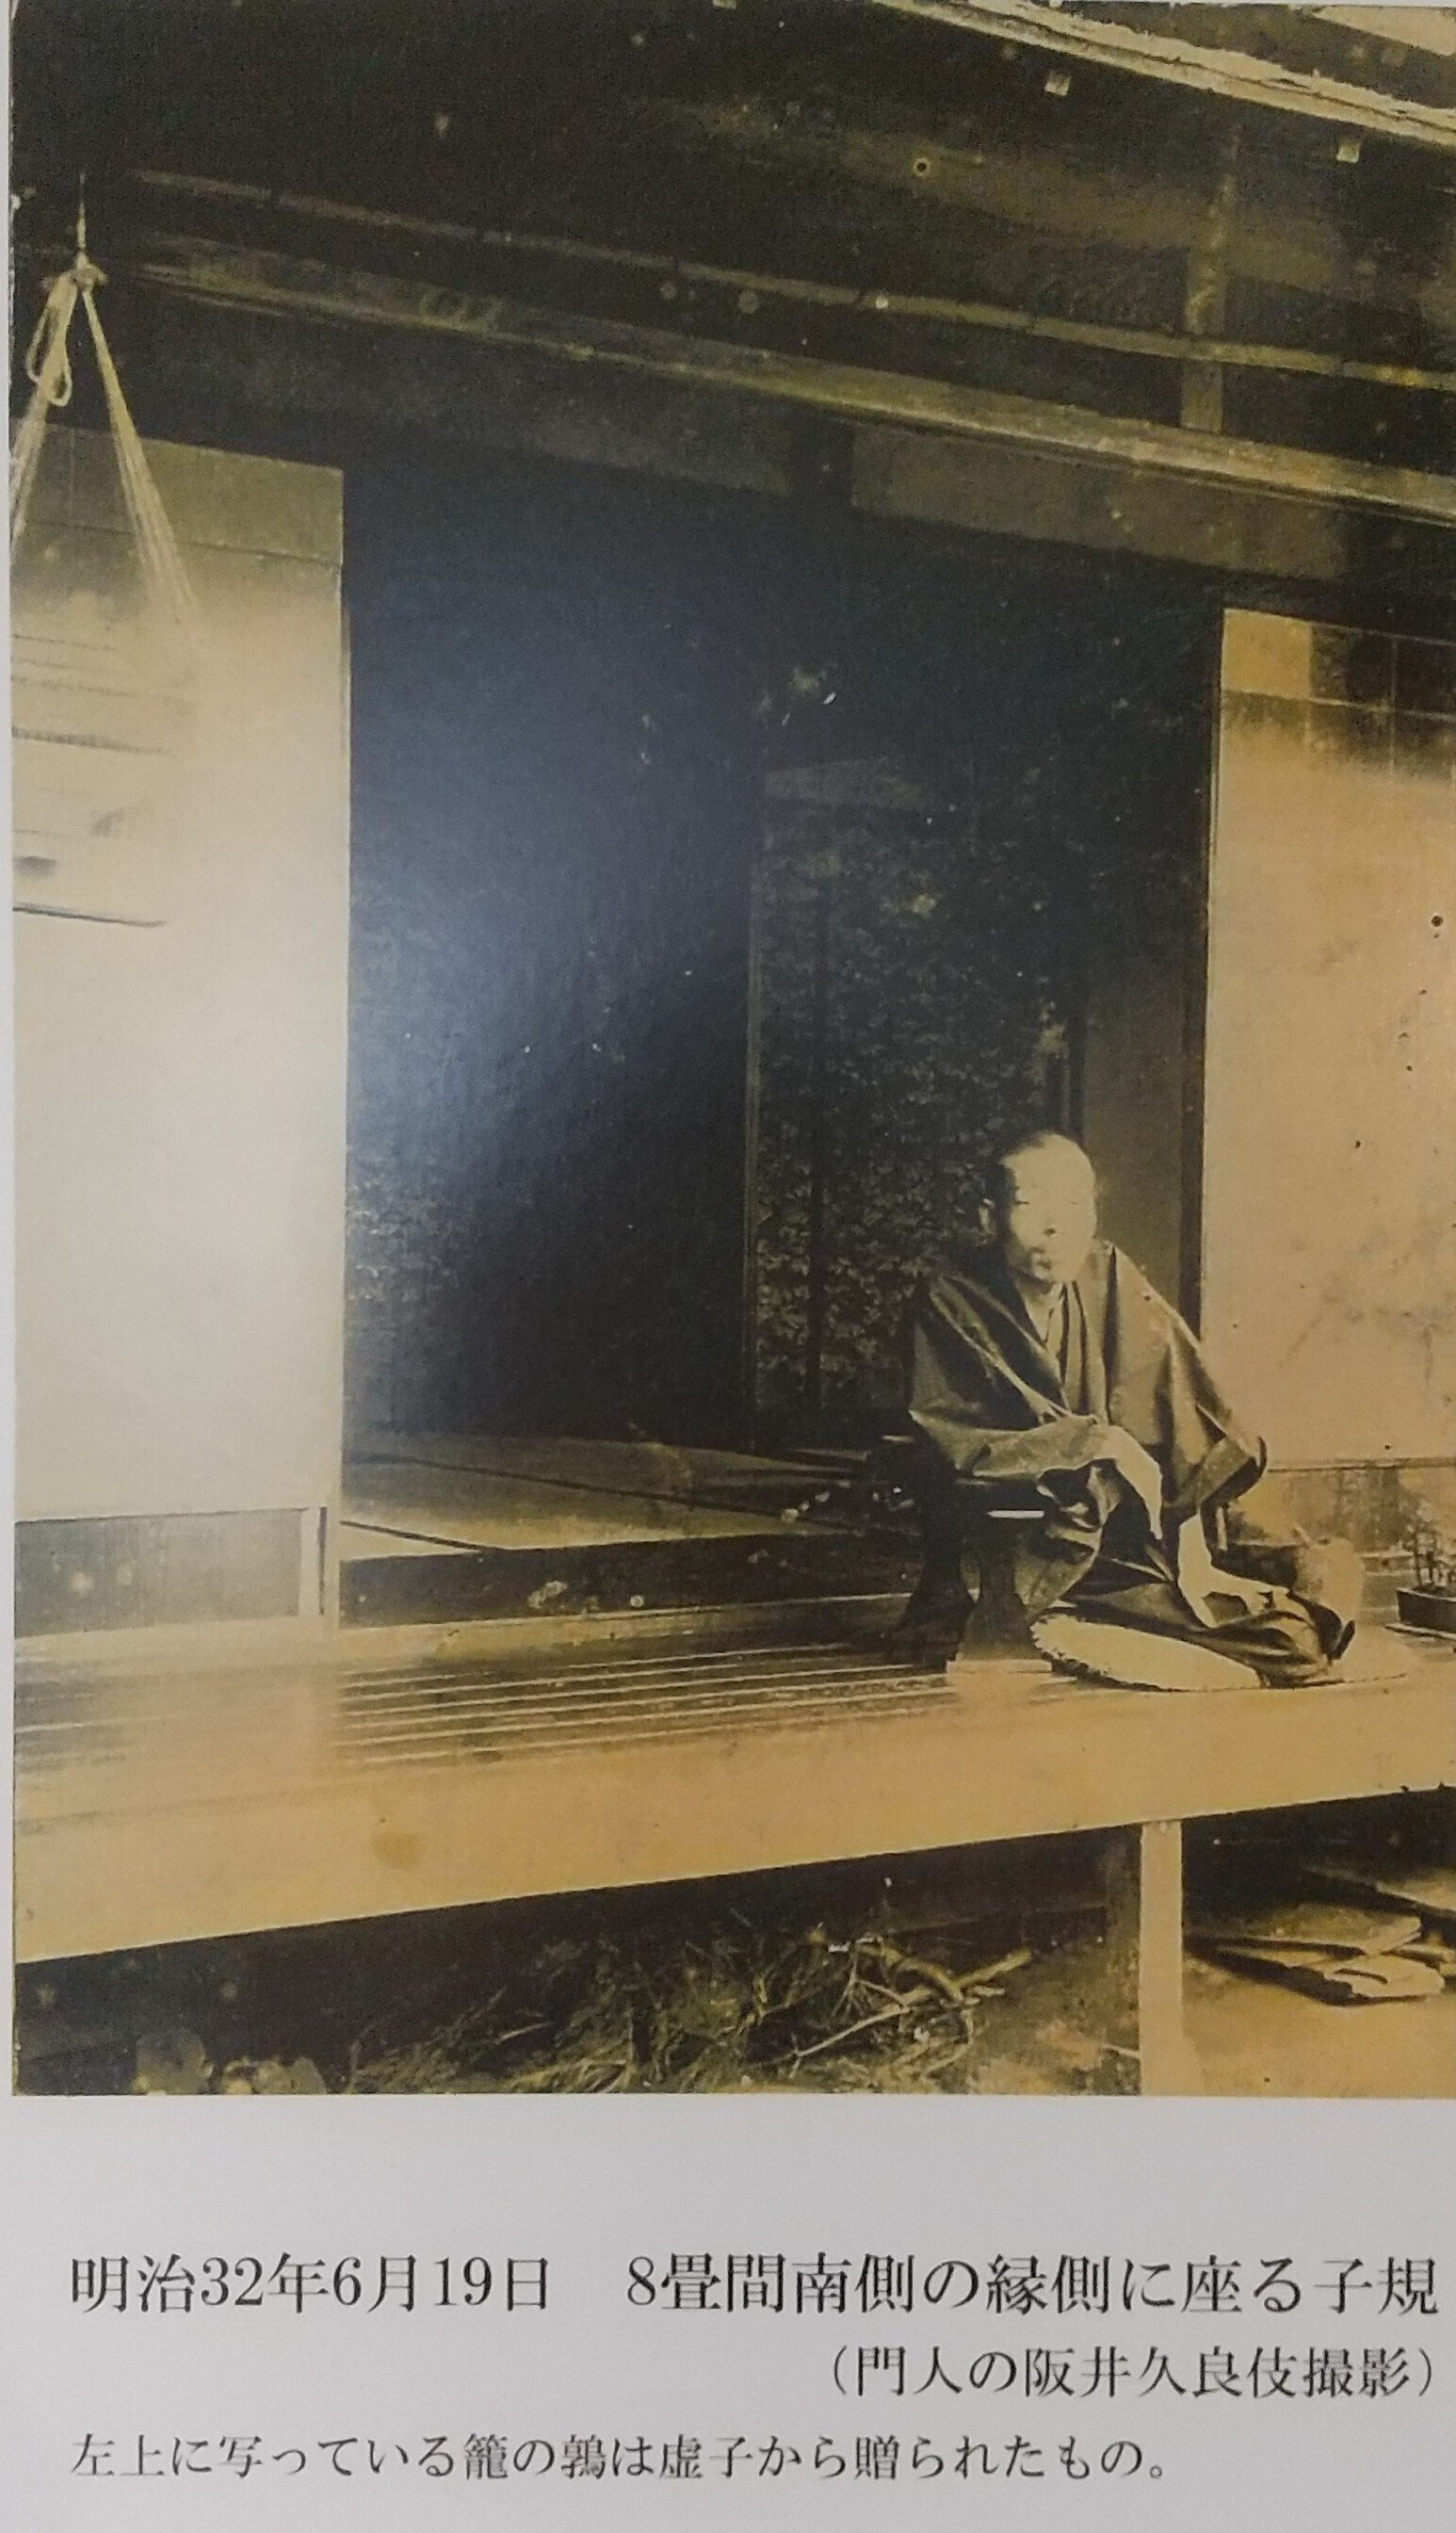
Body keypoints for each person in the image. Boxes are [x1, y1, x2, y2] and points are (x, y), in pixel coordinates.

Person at [899, 1130, 1360, 1685]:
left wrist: (1186, 1527)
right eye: (1030, 1204)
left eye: (1075, 1204)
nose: (1055, 1226)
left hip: (1142, 1510)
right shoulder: (951, 1299)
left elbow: (1181, 1404)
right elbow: (956, 1437)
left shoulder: (1108, 1273)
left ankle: (1253, 1598)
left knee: (1322, 1566)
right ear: (988, 1216)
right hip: (1051, 1528)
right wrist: (1099, 1443)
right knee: (1287, 1640)